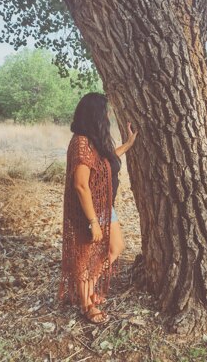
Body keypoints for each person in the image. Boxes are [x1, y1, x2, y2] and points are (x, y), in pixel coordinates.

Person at [57, 92, 138, 324]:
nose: (109, 115)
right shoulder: (81, 143)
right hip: (89, 210)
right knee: (84, 257)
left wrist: (129, 144)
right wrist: (93, 222)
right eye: (106, 112)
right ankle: (86, 303)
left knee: (115, 248)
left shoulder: (94, 141)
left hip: (105, 205)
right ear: (95, 114)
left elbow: (106, 159)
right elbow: (81, 185)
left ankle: (86, 288)